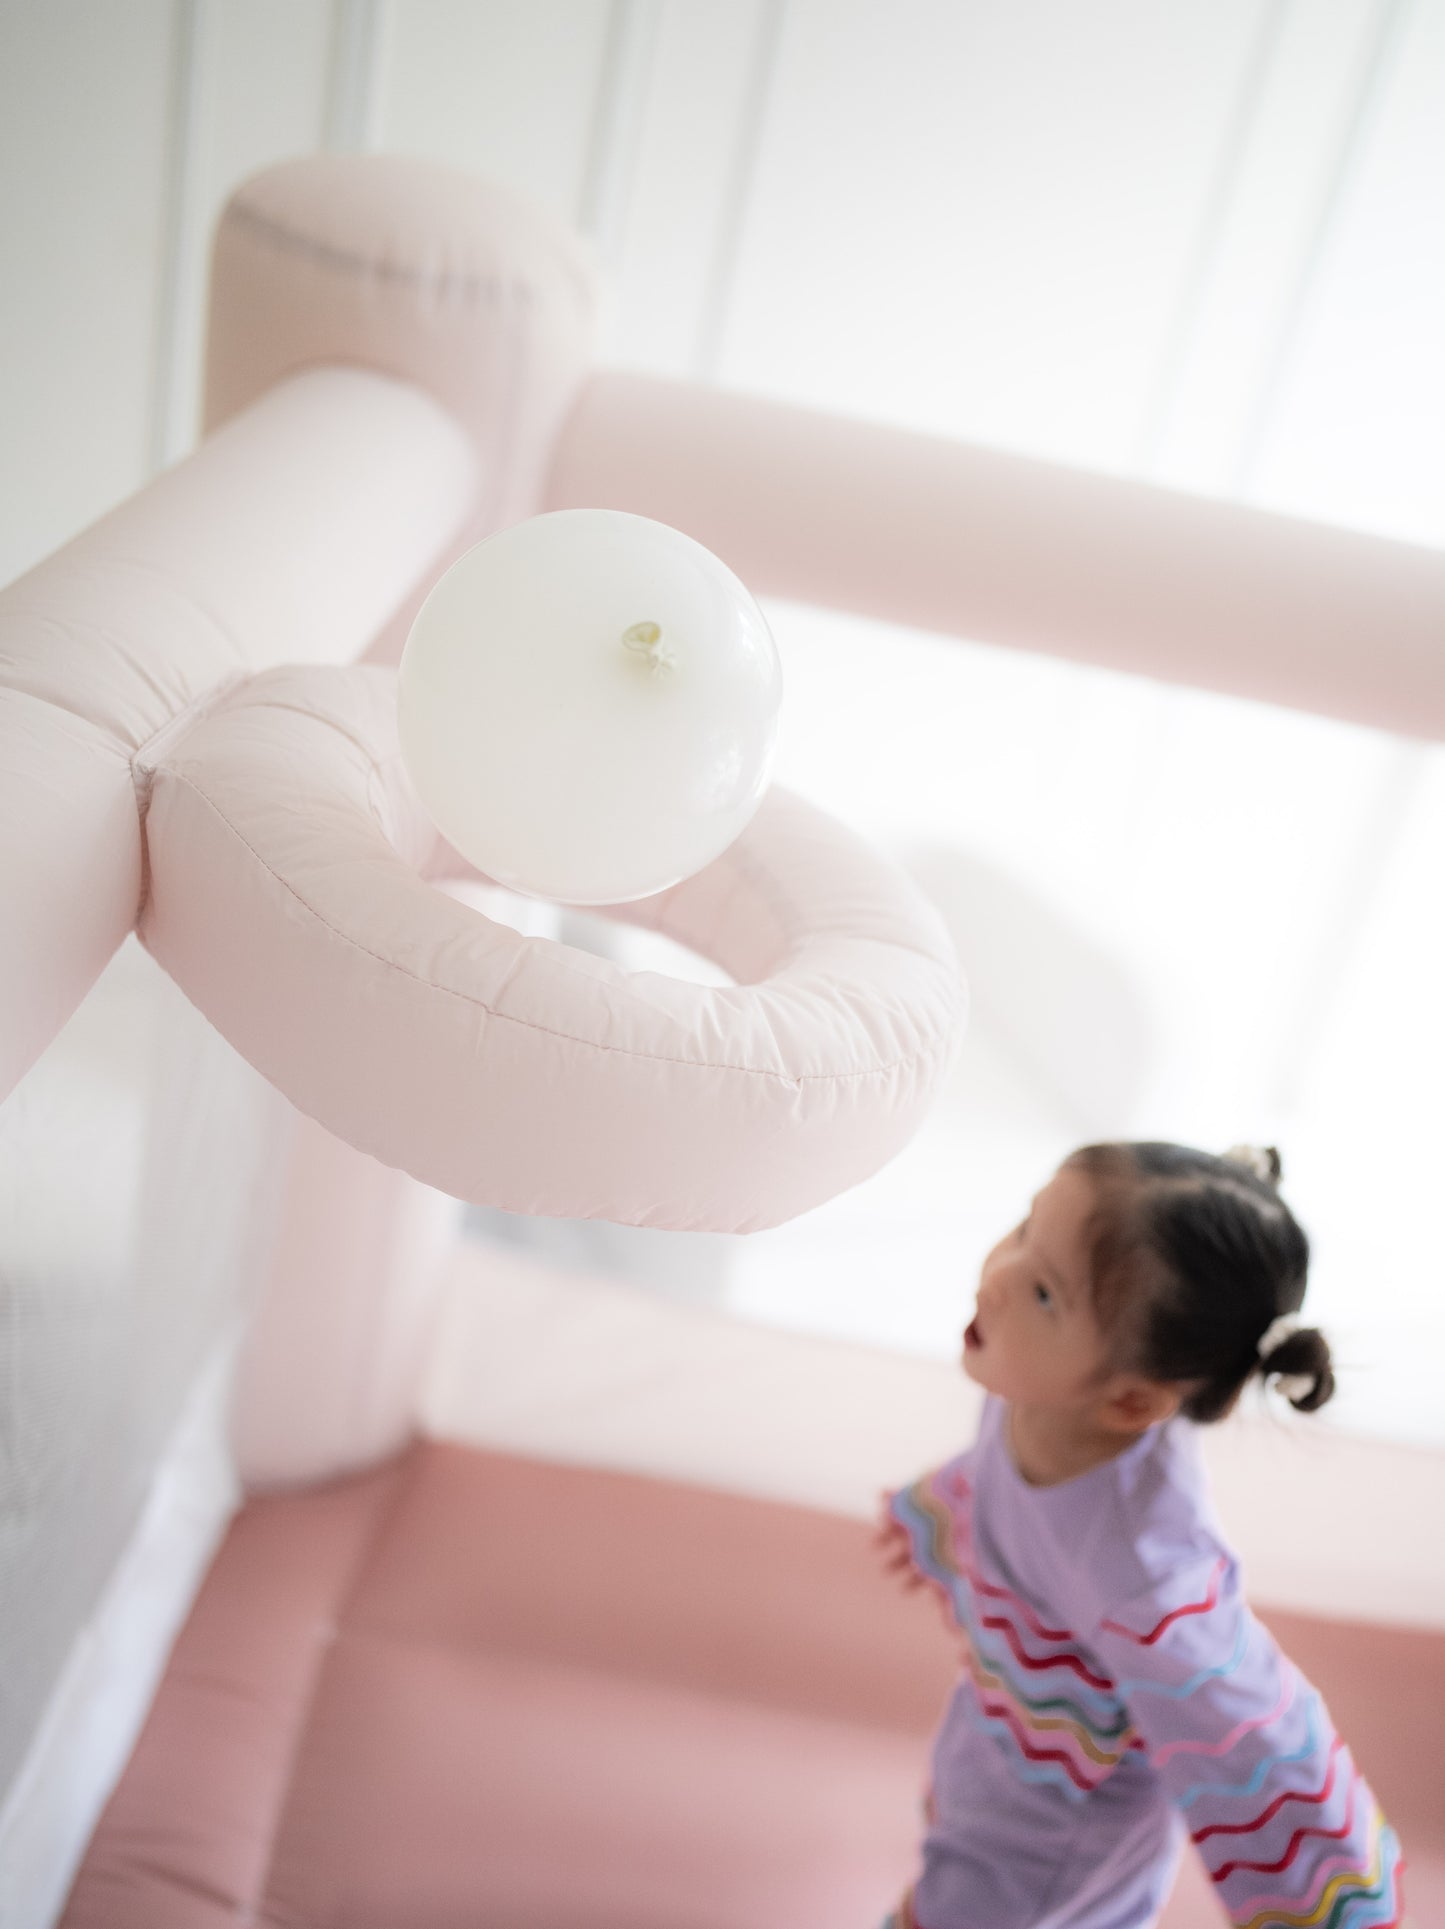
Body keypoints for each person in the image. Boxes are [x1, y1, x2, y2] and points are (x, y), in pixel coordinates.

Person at [876, 1141, 1406, 1929]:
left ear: (1130, 1401)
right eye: (1023, 1228)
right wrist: (942, 1513)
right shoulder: (1031, 1382)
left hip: (1057, 1835)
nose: (999, 1275)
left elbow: (1250, 1725)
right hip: (1005, 1743)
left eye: (1047, 1293)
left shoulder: (1145, 1573)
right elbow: (1000, 1477)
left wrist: (1336, 1904)